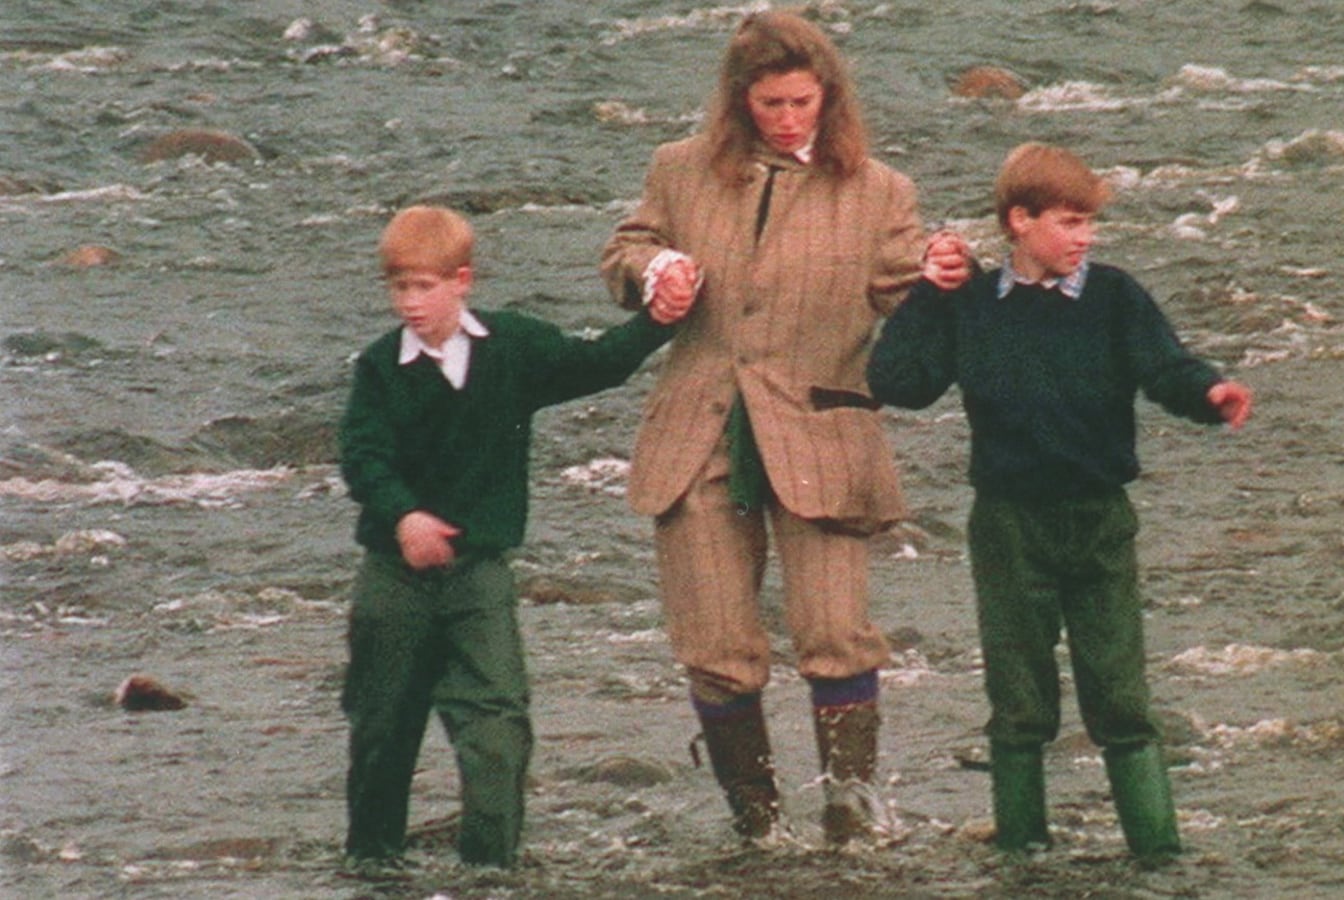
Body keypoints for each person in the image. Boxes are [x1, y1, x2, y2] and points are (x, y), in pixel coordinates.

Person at [600, 10, 968, 845]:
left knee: (836, 635)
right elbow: (627, 249)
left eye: (804, 101)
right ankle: (758, 826)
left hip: (823, 435)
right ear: (740, 100)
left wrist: (945, 274)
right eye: (771, 103)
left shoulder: (880, 191)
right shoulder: (679, 169)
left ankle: (851, 812)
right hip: (699, 434)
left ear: (829, 98)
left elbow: (905, 289)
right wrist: (654, 270)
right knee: (716, 645)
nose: (789, 118)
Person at [866, 142, 1253, 864]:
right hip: (1009, 526)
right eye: (1071, 222)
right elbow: (897, 382)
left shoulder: (1114, 296)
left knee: (1123, 703)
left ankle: (1160, 860)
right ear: (1020, 220)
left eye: (1090, 223)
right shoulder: (971, 305)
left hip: (1100, 519)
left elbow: (1165, 366)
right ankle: (1021, 858)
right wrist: (927, 292)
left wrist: (1209, 392)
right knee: (1019, 707)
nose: (1086, 238)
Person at [337, 205, 689, 871]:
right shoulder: (380, 367)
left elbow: (599, 363)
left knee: (498, 729)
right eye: (399, 287)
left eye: (424, 287)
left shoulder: (514, 347)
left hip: (479, 576)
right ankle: (373, 871)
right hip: (392, 579)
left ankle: (490, 874)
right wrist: (404, 516)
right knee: (382, 734)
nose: (410, 303)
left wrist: (660, 320)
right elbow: (362, 456)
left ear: (461, 280)